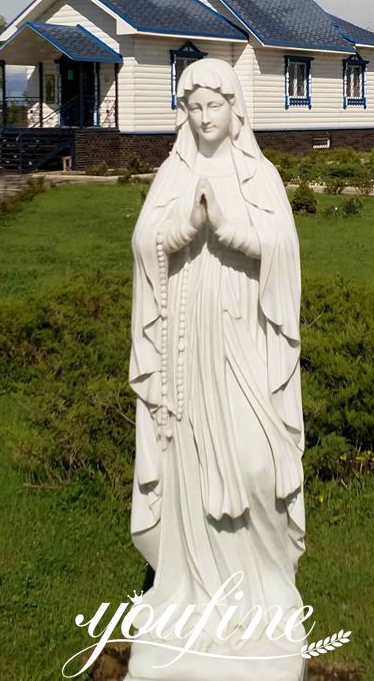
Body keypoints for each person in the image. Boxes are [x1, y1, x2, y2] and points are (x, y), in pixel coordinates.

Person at [127, 58, 306, 681]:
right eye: (194, 109)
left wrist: (231, 230)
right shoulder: (174, 173)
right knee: (190, 467)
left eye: (215, 107)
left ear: (236, 110)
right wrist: (185, 227)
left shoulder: (261, 175)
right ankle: (192, 591)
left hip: (246, 336)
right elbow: (145, 241)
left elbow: (283, 248)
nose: (205, 119)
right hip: (185, 340)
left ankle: (263, 588)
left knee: (255, 460)